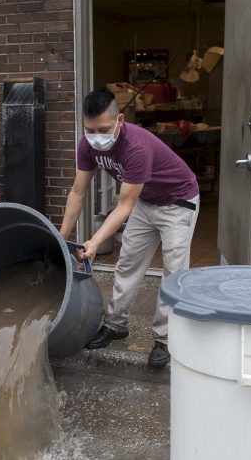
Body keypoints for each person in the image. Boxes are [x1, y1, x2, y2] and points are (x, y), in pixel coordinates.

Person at [59, 88, 200, 368]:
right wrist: (60, 238)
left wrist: (95, 242)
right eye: (90, 129)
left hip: (177, 202)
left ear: (120, 120)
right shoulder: (87, 145)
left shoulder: (136, 146)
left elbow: (124, 205)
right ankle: (115, 325)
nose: (96, 136)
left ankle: (165, 339)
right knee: (127, 264)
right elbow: (77, 192)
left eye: (103, 129)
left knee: (173, 273)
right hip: (146, 201)